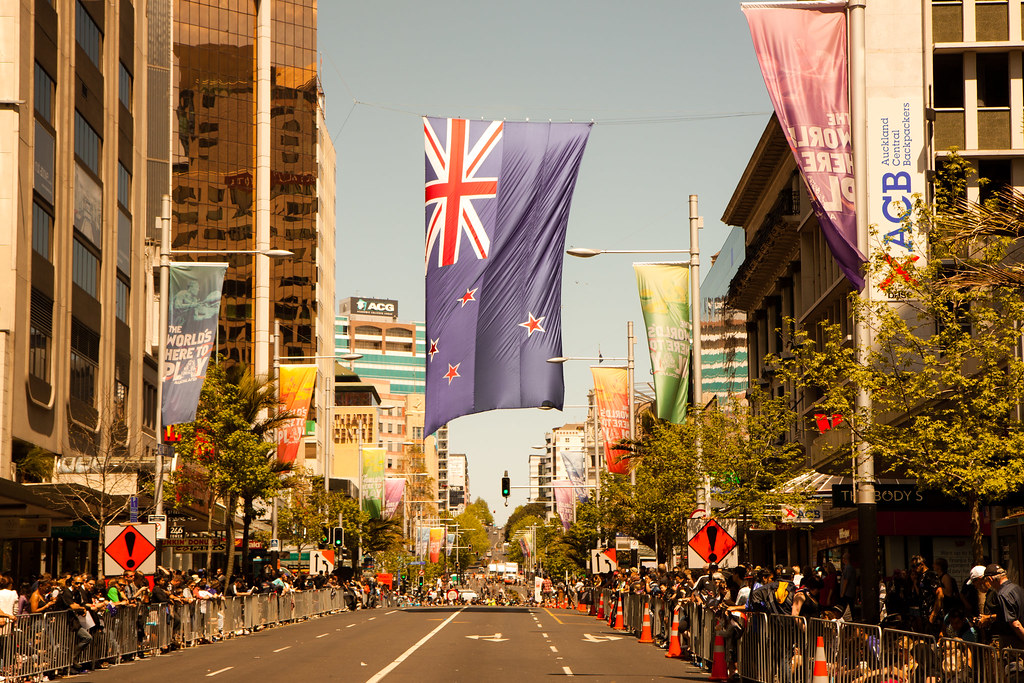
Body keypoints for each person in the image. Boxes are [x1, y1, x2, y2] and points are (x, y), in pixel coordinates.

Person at [985, 563, 1024, 650]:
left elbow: (1015, 624)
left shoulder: (1003, 594)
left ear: (990, 579)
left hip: (1014, 644)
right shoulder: (1018, 589)